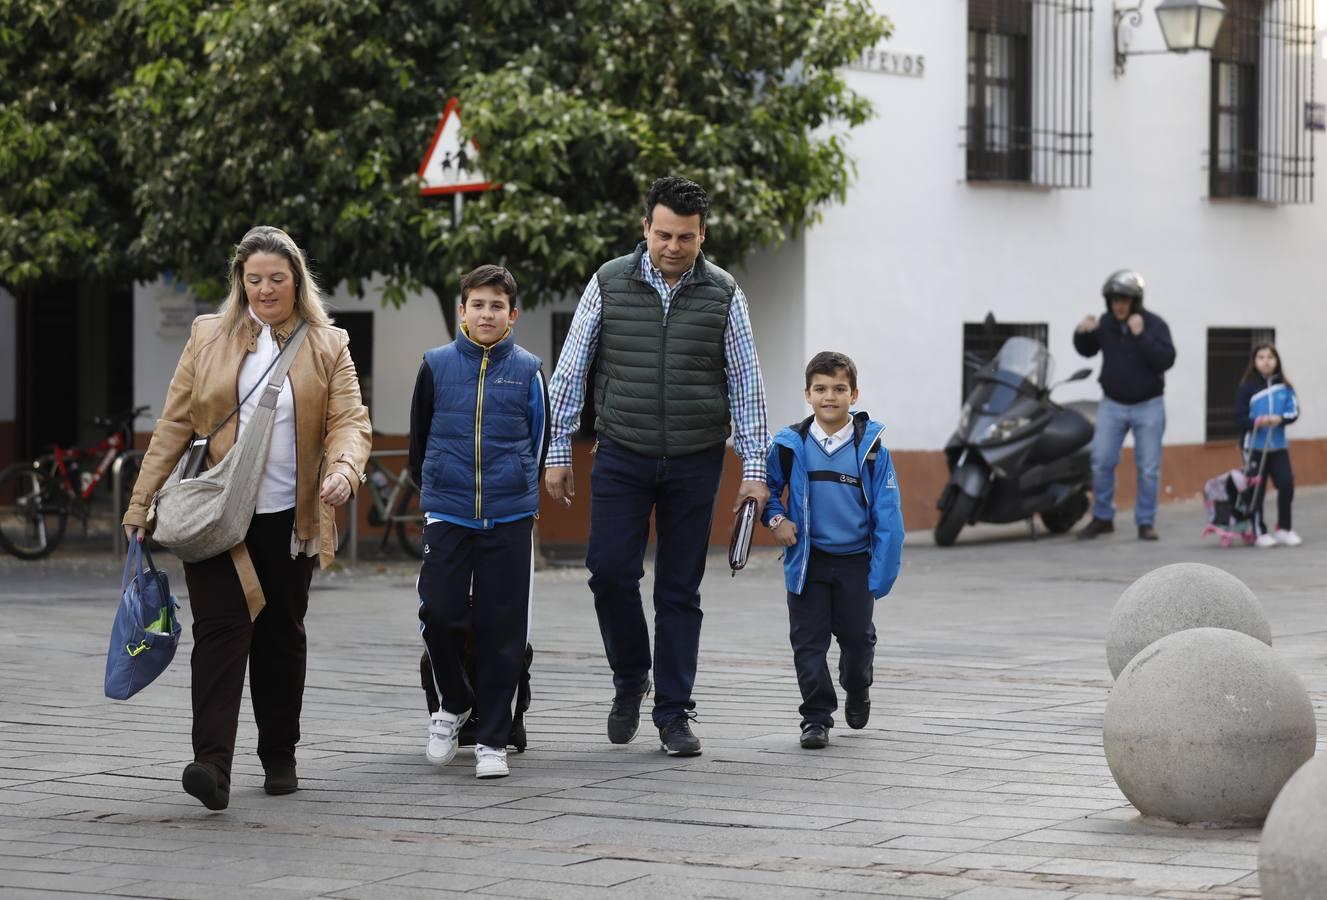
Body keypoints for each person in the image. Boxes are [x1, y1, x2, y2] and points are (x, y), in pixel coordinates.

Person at [123, 225, 372, 811]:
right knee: (219, 633)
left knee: (281, 635)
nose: (265, 290)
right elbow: (175, 424)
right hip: (215, 514)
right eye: (254, 279)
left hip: (288, 519)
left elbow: (351, 422)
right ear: (240, 280)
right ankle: (212, 764)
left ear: (296, 282)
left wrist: (344, 471)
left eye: (277, 279)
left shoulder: (327, 343)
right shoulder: (208, 335)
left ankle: (279, 754)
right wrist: (141, 502)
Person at [544, 175, 771, 757]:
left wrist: (754, 467)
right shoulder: (609, 282)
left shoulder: (725, 293)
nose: (673, 246)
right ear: (645, 228)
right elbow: (572, 368)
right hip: (622, 453)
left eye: (686, 237)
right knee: (609, 572)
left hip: (697, 461)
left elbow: (746, 382)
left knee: (679, 590)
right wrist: (558, 450)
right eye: (663, 234)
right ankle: (629, 677)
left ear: (703, 235)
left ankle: (674, 712)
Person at [409, 265, 548, 780]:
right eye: (477, 304)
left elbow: (538, 440)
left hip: (510, 516)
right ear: (461, 311)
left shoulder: (530, 369)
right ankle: (455, 702)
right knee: (438, 613)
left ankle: (493, 738)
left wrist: (520, 492)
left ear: (512, 315)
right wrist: (438, 490)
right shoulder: (435, 365)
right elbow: (419, 439)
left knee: (502, 629)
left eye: (497, 306)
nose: (487, 313)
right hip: (447, 512)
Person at [763, 352, 904, 749]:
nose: (830, 397)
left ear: (854, 394)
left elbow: (889, 515)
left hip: (856, 563)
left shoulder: (872, 448)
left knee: (857, 640)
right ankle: (815, 718)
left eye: (839, 389)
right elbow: (769, 493)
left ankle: (857, 687)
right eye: (821, 389)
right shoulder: (789, 445)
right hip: (807, 562)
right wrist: (777, 521)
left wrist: (881, 573)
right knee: (807, 643)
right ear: (807, 395)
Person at [1073, 269, 1176, 541]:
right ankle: (1102, 517)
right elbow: (1086, 350)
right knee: (1101, 461)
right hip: (1113, 405)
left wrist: (1141, 336)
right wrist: (1082, 333)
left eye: (1125, 300)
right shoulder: (1105, 323)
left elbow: (1166, 359)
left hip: (1149, 405)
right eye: (1114, 299)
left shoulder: (1154, 325)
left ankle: (1145, 522)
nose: (1119, 305)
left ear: (1135, 301)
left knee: (1149, 468)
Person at [1234, 343, 1301, 548]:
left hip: (1278, 447)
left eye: (1270, 357)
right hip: (1254, 447)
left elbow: (1294, 412)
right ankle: (1258, 531)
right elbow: (1240, 417)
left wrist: (1279, 418)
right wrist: (1259, 421)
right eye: (1261, 357)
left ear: (1277, 361)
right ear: (1254, 361)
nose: (1266, 361)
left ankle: (1284, 528)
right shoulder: (1247, 388)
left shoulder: (1286, 387)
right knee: (1257, 490)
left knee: (1286, 484)